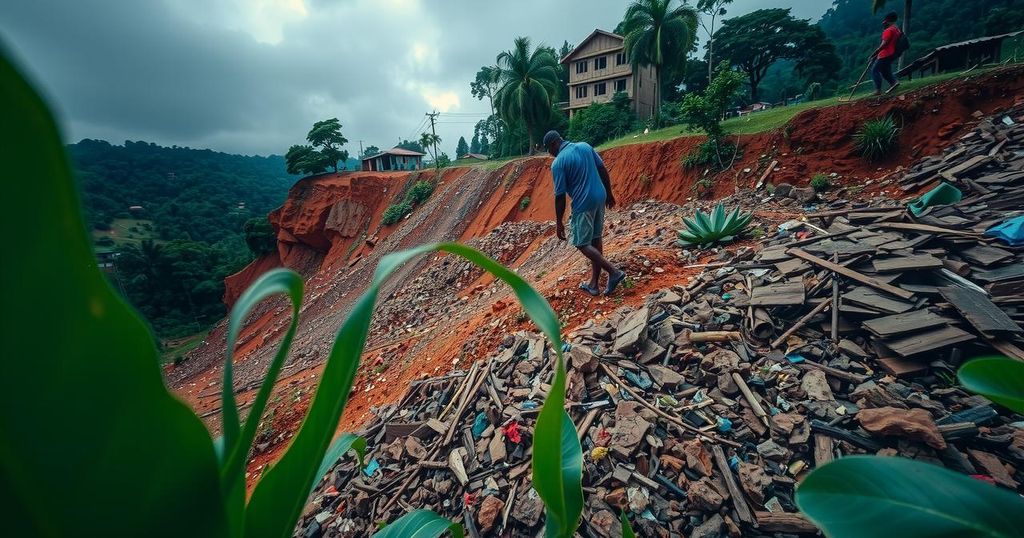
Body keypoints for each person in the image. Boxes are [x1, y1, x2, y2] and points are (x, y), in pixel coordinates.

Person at [543, 130, 626, 296]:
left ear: (553, 144)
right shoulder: (585, 146)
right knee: (595, 239)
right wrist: (609, 194)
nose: (549, 154)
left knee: (581, 243)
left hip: (584, 202)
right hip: (600, 196)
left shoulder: (558, 163)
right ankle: (594, 284)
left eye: (548, 149)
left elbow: (560, 196)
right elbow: (602, 169)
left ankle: (614, 272)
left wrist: (559, 222)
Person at [869, 11, 903, 96]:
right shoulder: (897, 29)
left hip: (886, 54)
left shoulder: (888, 30)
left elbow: (884, 44)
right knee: (885, 71)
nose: (883, 23)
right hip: (892, 54)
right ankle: (894, 82)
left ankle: (878, 90)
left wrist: (874, 53)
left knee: (874, 70)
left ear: (887, 20)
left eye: (884, 21)